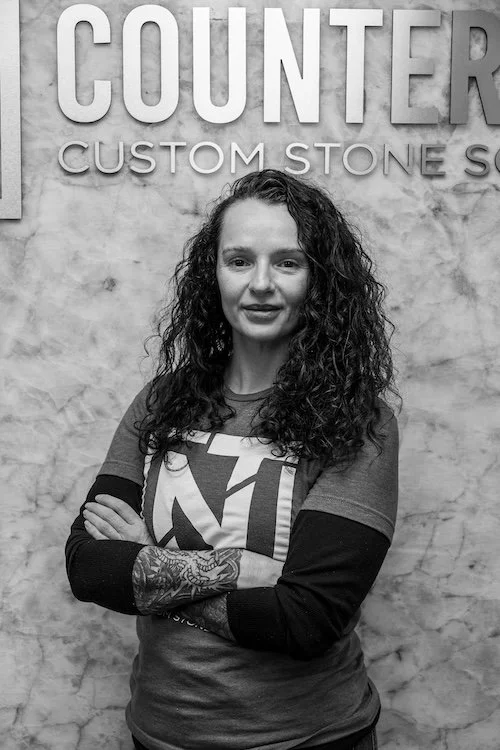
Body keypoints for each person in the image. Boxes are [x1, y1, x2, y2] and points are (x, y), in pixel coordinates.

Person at [65, 169, 399, 750]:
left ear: (319, 280)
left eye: (288, 263)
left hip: (310, 738)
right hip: (161, 732)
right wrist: (238, 569)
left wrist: (149, 564)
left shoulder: (358, 422)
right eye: (239, 260)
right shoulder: (161, 402)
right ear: (213, 273)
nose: (260, 284)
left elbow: (305, 619)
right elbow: (89, 567)